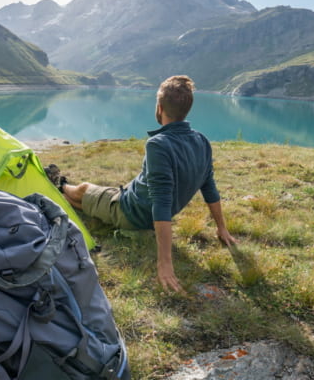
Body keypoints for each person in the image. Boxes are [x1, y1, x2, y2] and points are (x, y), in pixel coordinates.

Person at [55, 75, 238, 293]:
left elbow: (161, 202)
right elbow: (209, 187)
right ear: (186, 109)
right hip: (135, 199)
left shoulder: (158, 144)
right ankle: (63, 187)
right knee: (94, 193)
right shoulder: (201, 141)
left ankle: (59, 185)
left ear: (160, 108)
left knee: (84, 189)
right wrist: (222, 229)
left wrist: (165, 264)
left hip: (130, 213)